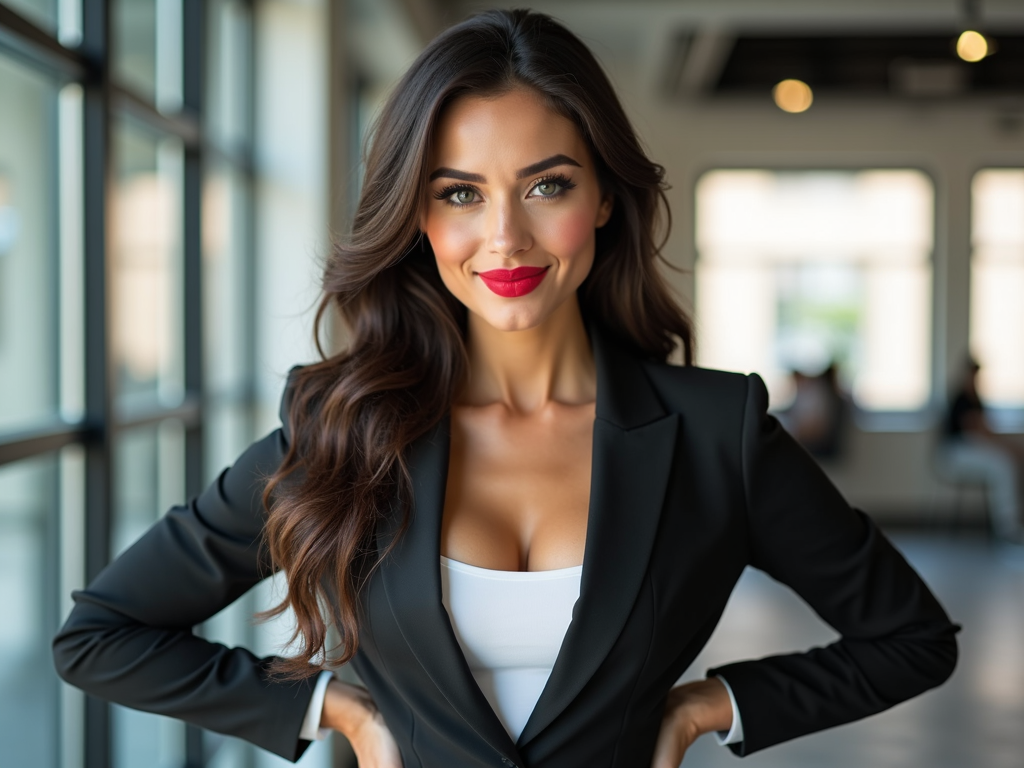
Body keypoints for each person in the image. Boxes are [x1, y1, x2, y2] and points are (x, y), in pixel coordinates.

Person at [53, 10, 958, 768]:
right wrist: (342, 712)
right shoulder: (341, 427)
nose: (505, 239)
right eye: (459, 194)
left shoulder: (718, 431)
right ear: (416, 214)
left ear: (604, 195)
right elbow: (101, 636)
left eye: (546, 186)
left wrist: (702, 708)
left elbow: (912, 640)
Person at [940, 358, 1024, 541]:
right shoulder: (961, 399)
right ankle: (1008, 527)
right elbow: (977, 432)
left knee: (1006, 462)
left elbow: (986, 432)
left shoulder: (976, 399)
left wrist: (1011, 448)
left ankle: (1012, 522)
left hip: (971, 450)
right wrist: (1008, 449)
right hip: (956, 454)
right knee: (1002, 466)